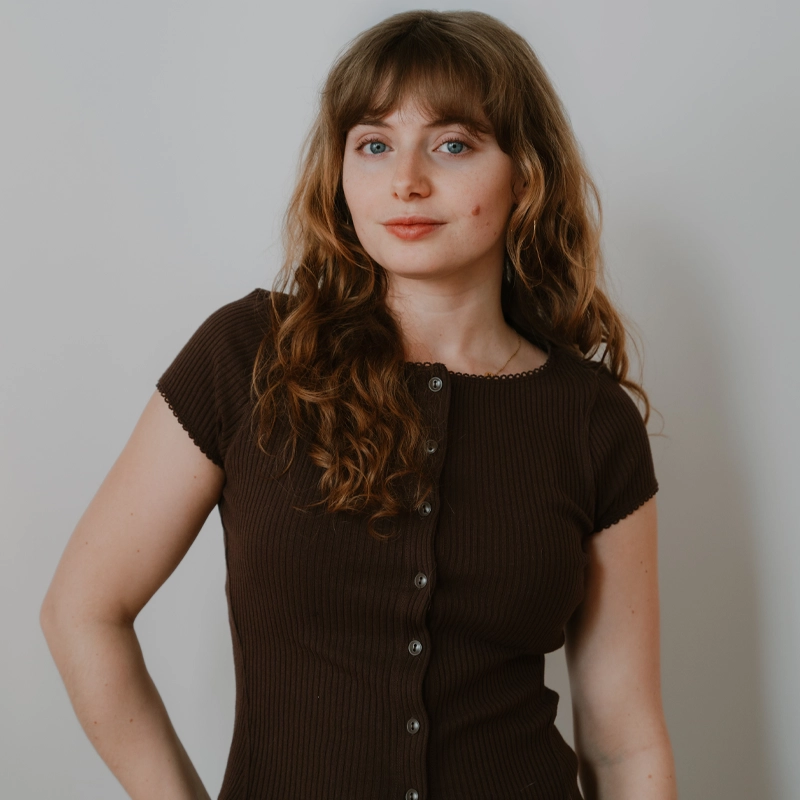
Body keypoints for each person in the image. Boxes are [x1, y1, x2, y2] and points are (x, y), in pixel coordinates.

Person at [40, 9, 677, 800]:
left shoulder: (591, 421)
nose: (406, 180)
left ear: (526, 173)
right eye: (374, 144)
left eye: (453, 144)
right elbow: (83, 611)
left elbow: (622, 742)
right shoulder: (248, 356)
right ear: (341, 176)